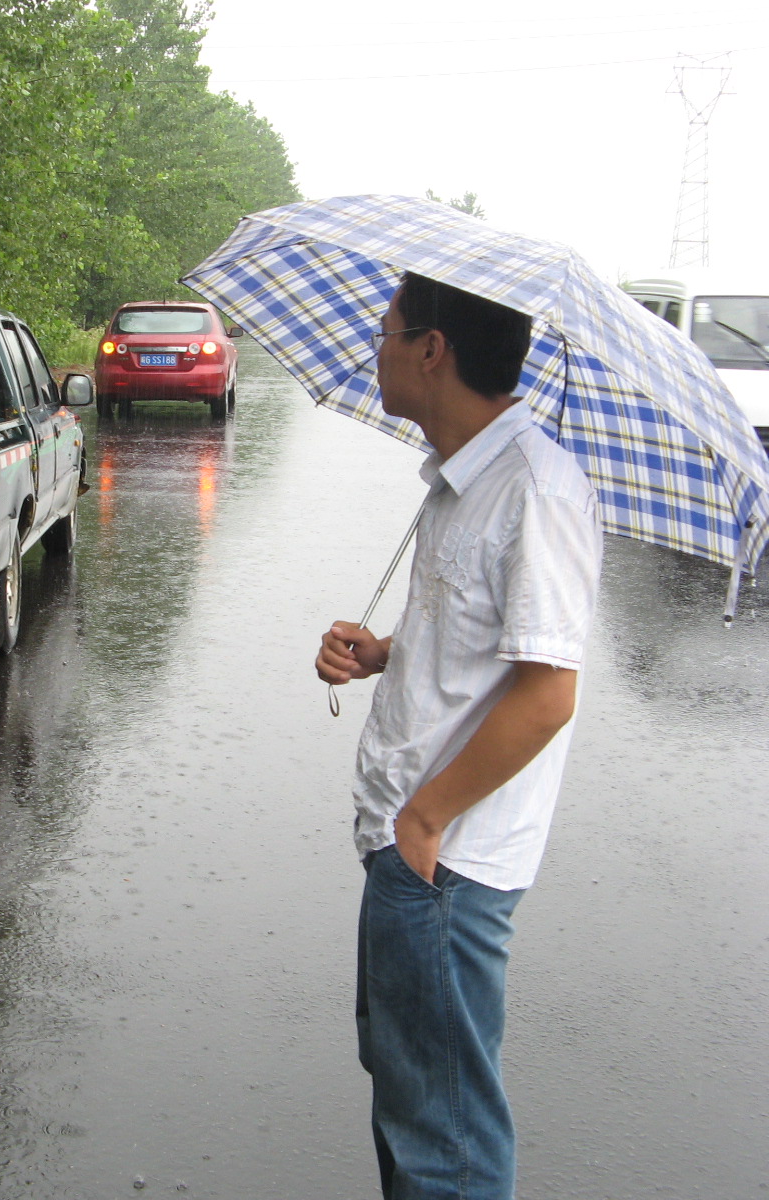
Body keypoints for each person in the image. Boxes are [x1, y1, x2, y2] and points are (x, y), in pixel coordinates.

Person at [314, 274, 601, 1200]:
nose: (376, 346)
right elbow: (480, 647)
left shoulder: (535, 488)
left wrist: (426, 823)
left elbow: (548, 692)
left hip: (448, 863)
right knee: (410, 1100)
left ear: (432, 349)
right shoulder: (461, 476)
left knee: (446, 1139)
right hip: (412, 847)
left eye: (387, 331)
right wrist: (384, 653)